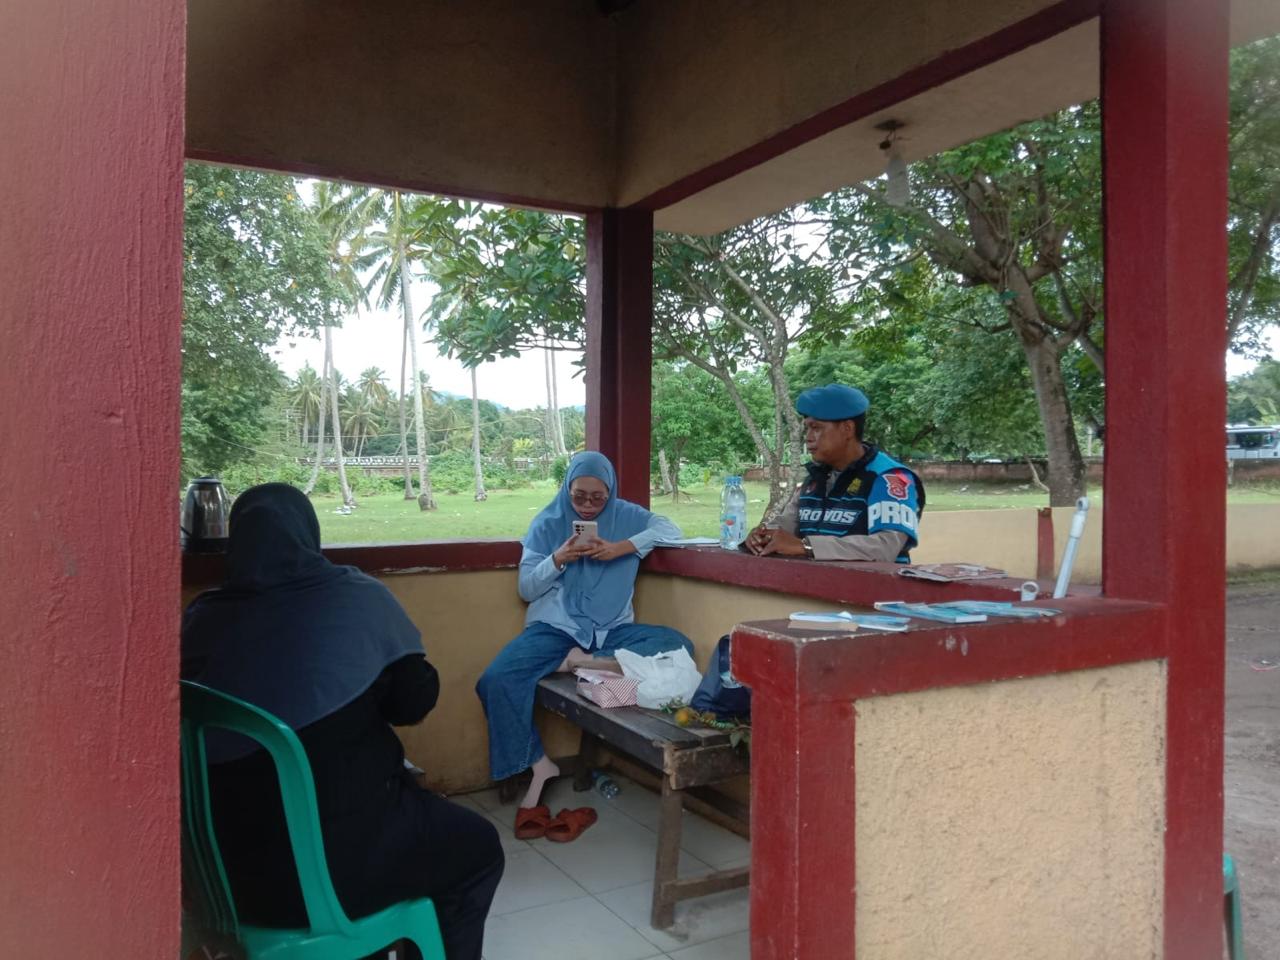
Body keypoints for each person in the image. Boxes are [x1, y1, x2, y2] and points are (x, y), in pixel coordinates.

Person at [182, 483, 502, 960]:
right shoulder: (354, 599)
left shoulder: (202, 617)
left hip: (218, 877)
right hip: (335, 877)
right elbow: (413, 703)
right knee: (477, 848)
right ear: (309, 536)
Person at [475, 451, 693, 840]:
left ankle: (579, 663)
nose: (589, 505)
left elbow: (672, 530)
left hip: (611, 632)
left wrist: (622, 547)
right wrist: (558, 558)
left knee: (676, 646)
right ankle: (538, 764)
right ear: (567, 489)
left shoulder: (628, 516)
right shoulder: (547, 523)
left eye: (598, 497)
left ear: (611, 492)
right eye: (579, 496)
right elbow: (526, 589)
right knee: (497, 679)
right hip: (556, 629)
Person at [745, 383, 925, 562]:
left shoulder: (887, 478)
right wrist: (763, 535)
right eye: (807, 428)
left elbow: (884, 547)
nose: (808, 437)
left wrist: (806, 547)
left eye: (816, 428)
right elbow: (785, 526)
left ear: (847, 429)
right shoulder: (815, 479)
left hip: (873, 581)